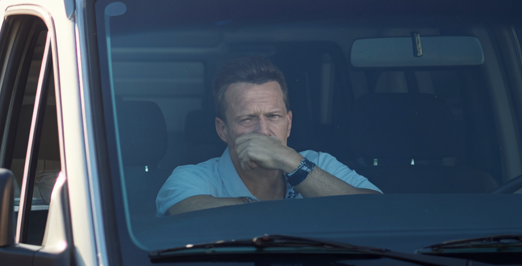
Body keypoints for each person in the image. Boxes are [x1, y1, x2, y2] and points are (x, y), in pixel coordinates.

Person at [156, 56, 380, 215]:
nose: (263, 131)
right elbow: (184, 211)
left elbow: (377, 211)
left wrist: (291, 162)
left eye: (273, 116)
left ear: (289, 123)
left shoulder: (318, 162)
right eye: (247, 119)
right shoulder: (193, 177)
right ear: (222, 130)